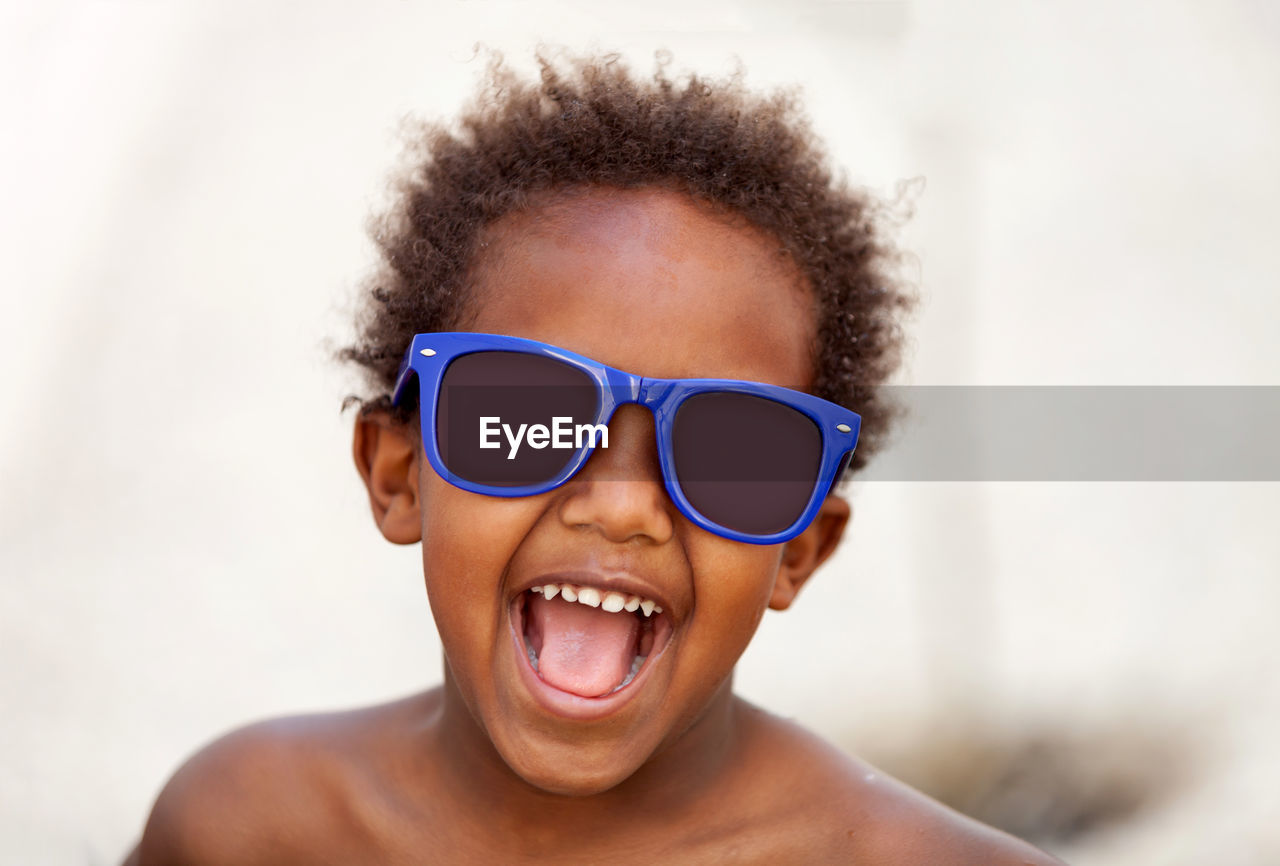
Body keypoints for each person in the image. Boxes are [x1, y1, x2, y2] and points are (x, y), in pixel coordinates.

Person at [125, 52, 1063, 864]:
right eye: (527, 414)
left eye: (733, 445)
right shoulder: (244, 829)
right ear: (398, 473)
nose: (622, 508)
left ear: (799, 549)